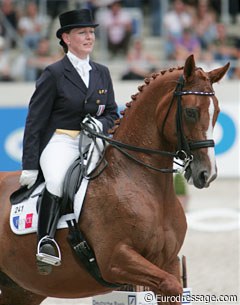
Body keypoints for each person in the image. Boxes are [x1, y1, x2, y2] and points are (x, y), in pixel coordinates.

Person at [19, 9, 119, 274]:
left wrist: (100, 124)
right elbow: (35, 121)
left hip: (94, 142)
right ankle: (46, 242)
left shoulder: (102, 72)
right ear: (66, 37)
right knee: (56, 181)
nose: (89, 37)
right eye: (82, 33)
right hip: (62, 142)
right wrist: (29, 165)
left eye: (91, 33)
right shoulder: (53, 74)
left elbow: (112, 113)